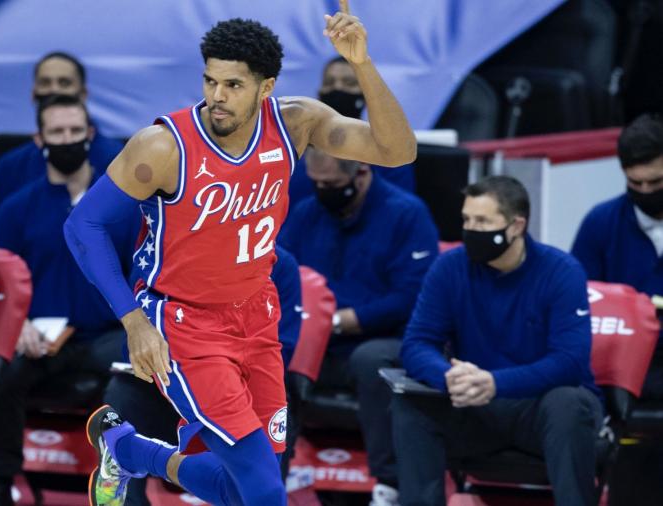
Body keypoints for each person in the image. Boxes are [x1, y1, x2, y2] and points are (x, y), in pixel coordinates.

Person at [64, 2, 417, 504]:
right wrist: (133, 321)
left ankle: (128, 450)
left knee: (240, 486)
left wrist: (361, 63)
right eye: (210, 81)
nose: (216, 97)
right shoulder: (163, 147)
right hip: (183, 325)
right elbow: (84, 225)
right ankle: (130, 451)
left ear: (265, 87)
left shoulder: (296, 124)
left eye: (233, 86)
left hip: (256, 317)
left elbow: (398, 150)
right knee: (264, 491)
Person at [394, 176, 602, 506]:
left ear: (516, 225)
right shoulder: (448, 267)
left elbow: (570, 362)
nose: (469, 230)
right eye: (466, 219)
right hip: (475, 406)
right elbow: (417, 343)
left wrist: (495, 382)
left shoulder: (562, 271)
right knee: (411, 400)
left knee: (569, 403)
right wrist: (447, 377)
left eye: (482, 221)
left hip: (538, 408)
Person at [0, 94, 138, 506]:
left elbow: (140, 274)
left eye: (74, 131)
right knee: (7, 372)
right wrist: (19, 326)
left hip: (106, 332)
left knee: (133, 371)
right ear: (39, 139)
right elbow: (0, 282)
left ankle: (122, 485)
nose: (66, 139)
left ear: (90, 135)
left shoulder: (122, 205)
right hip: (40, 335)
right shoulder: (16, 209)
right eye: (57, 132)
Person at [279, 146, 437, 506]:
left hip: (386, 338)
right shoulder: (306, 214)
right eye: (316, 183)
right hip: (317, 341)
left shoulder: (407, 215)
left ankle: (389, 485)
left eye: (332, 183)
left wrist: (347, 321)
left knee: (371, 361)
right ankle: (272, 479)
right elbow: (278, 274)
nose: (323, 191)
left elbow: (413, 295)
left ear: (362, 170)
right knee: (272, 356)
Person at [106, 245, 304, 506]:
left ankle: (133, 452)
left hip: (248, 378)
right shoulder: (172, 255)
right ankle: (127, 475)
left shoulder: (282, 264)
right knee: (264, 494)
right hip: (183, 374)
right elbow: (137, 340)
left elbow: (285, 346)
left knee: (246, 493)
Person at [572, 113, 663, 400]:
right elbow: (580, 301)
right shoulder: (600, 222)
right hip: (619, 361)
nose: (646, 191)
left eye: (656, 181)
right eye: (635, 183)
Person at [0, 51, 125, 232]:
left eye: (64, 83)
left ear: (83, 93)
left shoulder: (116, 159)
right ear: (33, 93)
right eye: (45, 83)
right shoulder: (10, 167)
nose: (54, 90)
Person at [289, 57, 417, 208]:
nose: (337, 88)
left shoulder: (388, 149)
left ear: (364, 95)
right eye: (329, 83)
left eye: (349, 83)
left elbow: (400, 209)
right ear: (319, 93)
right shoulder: (294, 151)